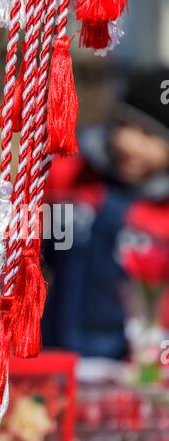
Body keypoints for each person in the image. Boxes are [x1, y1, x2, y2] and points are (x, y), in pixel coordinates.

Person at [42, 69, 169, 359]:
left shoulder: (163, 214)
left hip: (131, 363)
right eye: (125, 125)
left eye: (149, 135)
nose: (130, 143)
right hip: (51, 348)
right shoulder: (69, 175)